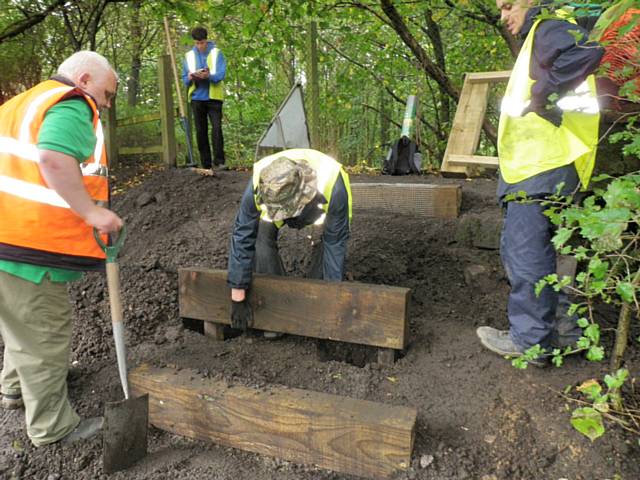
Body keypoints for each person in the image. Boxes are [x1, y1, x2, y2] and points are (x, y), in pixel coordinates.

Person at [0, 51, 122, 445]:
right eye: (106, 94)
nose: (105, 104)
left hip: (8, 236)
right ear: (84, 79)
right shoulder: (71, 103)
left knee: (20, 322)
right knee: (46, 332)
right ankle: (52, 428)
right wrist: (92, 214)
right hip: (26, 242)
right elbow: (53, 158)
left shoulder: (22, 103)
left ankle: (15, 388)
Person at [476, 0, 604, 366]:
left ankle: (529, 341)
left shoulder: (548, 29)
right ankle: (566, 334)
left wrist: (542, 96)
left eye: (508, 6)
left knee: (526, 254)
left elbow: (586, 52)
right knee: (556, 254)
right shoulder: (547, 31)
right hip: (560, 165)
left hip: (538, 166)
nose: (504, 17)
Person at [227, 149, 352, 334]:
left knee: (328, 245)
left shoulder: (333, 183)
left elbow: (335, 244)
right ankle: (274, 313)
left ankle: (314, 305)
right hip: (278, 206)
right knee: (261, 236)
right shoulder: (257, 186)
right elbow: (242, 237)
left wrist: (332, 299)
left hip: (319, 205)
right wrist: (237, 295)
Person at [182, 26, 227, 170]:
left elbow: (220, 75)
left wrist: (209, 76)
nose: (200, 46)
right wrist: (190, 77)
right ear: (194, 42)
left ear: (206, 40)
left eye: (202, 43)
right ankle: (206, 164)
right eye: (197, 43)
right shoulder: (188, 56)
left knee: (217, 129)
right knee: (201, 131)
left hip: (214, 98)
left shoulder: (217, 53)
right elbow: (184, 79)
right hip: (197, 98)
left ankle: (219, 162)